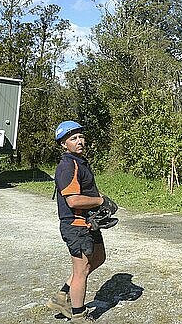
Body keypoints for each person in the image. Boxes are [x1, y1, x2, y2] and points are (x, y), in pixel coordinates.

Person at [46, 120, 108, 322]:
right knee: (80, 271)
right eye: (73, 138)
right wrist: (100, 200)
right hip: (75, 226)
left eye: (81, 136)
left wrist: (102, 199)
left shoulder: (80, 162)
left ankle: (62, 295)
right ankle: (79, 315)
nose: (79, 141)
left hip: (88, 222)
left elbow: (85, 189)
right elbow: (73, 200)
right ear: (64, 144)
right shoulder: (67, 165)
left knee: (98, 258)